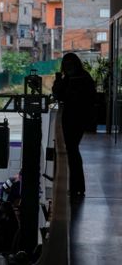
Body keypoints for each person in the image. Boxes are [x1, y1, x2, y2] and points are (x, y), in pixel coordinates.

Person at [52, 52, 97, 197]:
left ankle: (75, 185)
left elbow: (59, 95)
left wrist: (59, 83)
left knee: (71, 151)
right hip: (77, 119)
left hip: (73, 118)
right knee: (73, 151)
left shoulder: (72, 79)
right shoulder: (84, 77)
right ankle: (77, 186)